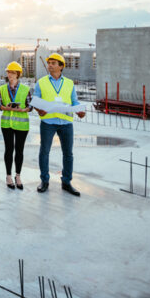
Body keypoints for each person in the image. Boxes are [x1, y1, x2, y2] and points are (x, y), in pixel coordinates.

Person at [34, 53, 86, 196]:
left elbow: (74, 101)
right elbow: (35, 100)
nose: (50, 65)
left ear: (61, 66)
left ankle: (66, 182)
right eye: (49, 62)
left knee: (68, 153)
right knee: (44, 152)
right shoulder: (41, 82)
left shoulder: (69, 83)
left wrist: (79, 111)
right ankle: (44, 180)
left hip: (66, 123)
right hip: (48, 122)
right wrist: (40, 110)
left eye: (53, 63)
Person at [0, 61, 32, 190]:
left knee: (19, 150)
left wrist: (23, 110)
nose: (9, 74)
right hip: (7, 124)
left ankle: (18, 176)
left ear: (18, 74)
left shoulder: (25, 89)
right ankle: (8, 176)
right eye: (8, 72)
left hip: (22, 125)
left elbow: (30, 106)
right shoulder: (2, 89)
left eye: (12, 72)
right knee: (9, 150)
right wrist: (4, 107)